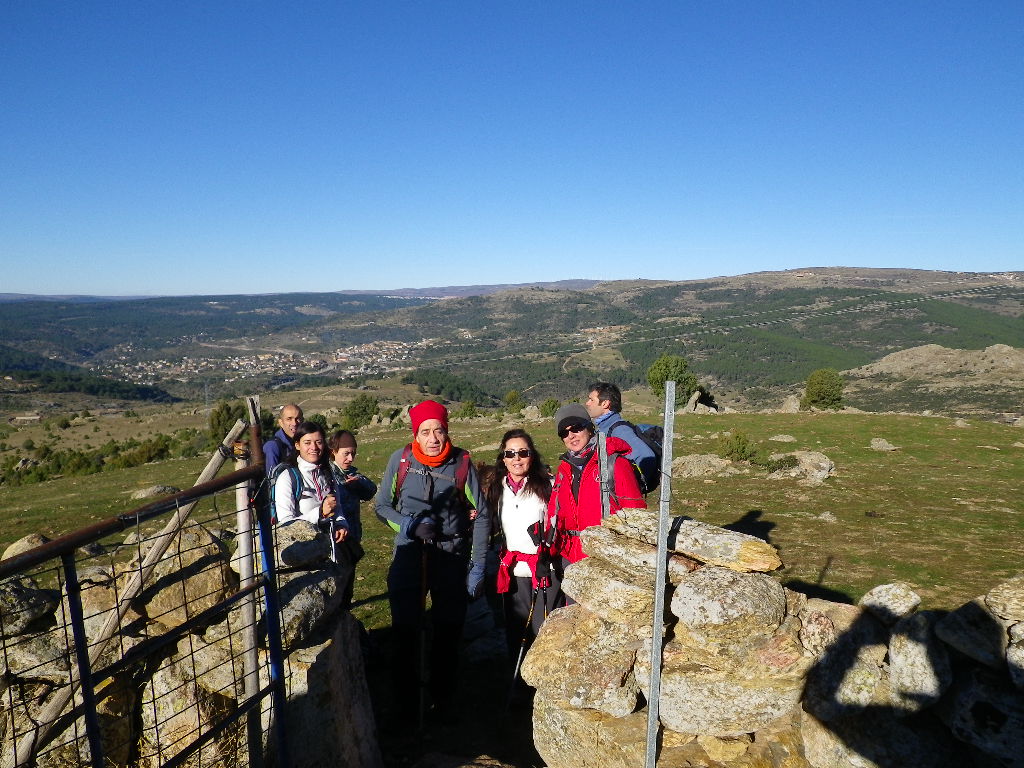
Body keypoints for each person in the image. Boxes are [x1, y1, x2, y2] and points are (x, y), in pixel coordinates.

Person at [374, 400, 490, 716]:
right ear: (416, 434)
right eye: (425, 431)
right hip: (409, 553)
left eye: (438, 430)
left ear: (446, 430)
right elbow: (382, 507)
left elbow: (481, 514)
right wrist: (409, 525)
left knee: (448, 631)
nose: (433, 438)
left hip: (451, 556)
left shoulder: (461, 463)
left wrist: (477, 565)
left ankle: (443, 699)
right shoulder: (400, 460)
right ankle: (405, 704)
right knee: (405, 630)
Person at [546, 404, 646, 604]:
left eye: (576, 428)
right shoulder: (564, 469)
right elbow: (556, 513)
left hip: (606, 560)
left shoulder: (615, 464)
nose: (571, 436)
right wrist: (548, 551)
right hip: (571, 560)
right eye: (564, 433)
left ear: (589, 428)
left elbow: (637, 516)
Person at [483, 429, 553, 667]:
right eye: (510, 453)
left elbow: (559, 524)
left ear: (532, 455)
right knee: (516, 632)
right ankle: (519, 683)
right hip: (513, 572)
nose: (517, 458)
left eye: (523, 452)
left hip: (543, 571)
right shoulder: (497, 488)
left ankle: (543, 683)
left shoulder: (548, 486)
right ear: (503, 458)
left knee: (543, 632)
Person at [273, 421, 349, 550]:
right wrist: (319, 513)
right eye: (307, 443)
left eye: (318, 442)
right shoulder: (287, 478)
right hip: (302, 551)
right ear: (297, 445)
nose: (314, 447)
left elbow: (337, 507)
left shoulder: (327, 472)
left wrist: (341, 524)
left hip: (331, 547)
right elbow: (286, 523)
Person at [328, 429, 376, 607]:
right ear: (333, 451)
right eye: (346, 453)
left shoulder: (352, 474)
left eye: (353, 454)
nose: (350, 458)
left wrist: (358, 484)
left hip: (352, 538)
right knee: (336, 586)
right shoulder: (326, 475)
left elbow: (371, 490)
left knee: (348, 584)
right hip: (335, 541)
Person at [585, 382, 657, 486]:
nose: (587, 403)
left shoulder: (620, 430)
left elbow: (646, 456)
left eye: (591, 400)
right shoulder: (605, 428)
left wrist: (631, 487)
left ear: (605, 403)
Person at [263, 403, 304, 475]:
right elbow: (273, 476)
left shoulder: (305, 442)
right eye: (289, 419)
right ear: (281, 422)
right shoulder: (273, 446)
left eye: (297, 419)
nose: (294, 423)